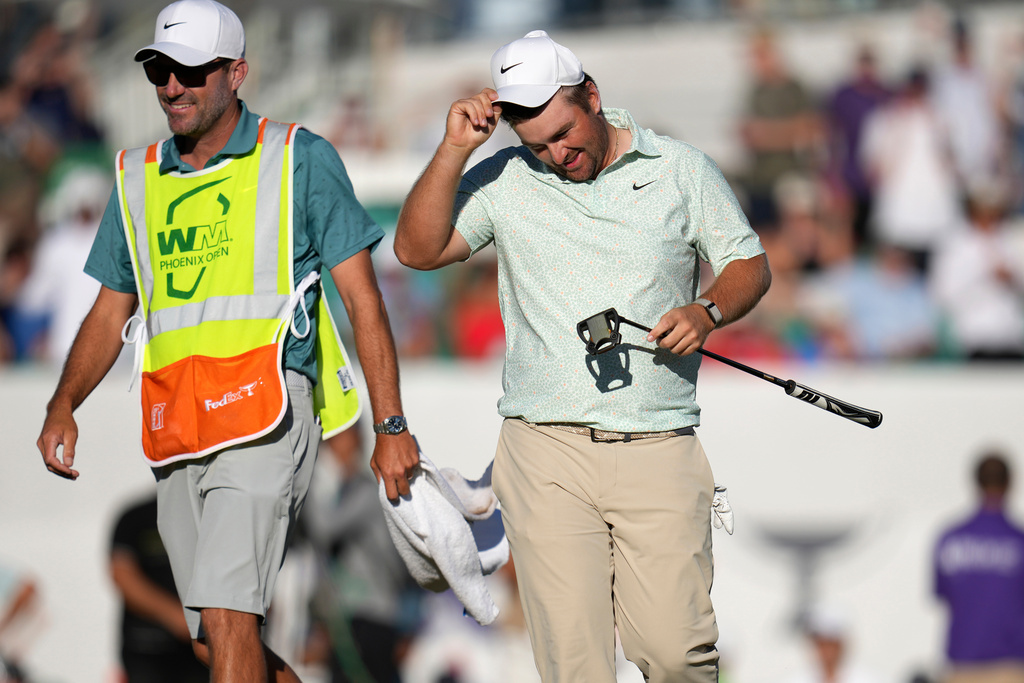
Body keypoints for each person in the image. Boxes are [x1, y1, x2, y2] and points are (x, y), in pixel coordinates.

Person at [33, 1, 420, 681]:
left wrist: (390, 425)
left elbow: (365, 299)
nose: (171, 85)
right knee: (218, 638)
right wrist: (64, 403)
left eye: (189, 69)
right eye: (158, 68)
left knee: (231, 614)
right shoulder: (136, 176)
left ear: (237, 71)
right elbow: (107, 311)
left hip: (266, 416)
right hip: (177, 424)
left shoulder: (301, 157)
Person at [393, 29, 771, 683]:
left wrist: (706, 311)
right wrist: (456, 149)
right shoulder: (506, 177)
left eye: (564, 132)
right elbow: (417, 250)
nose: (556, 153)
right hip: (544, 451)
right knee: (575, 667)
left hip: (658, 444)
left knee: (678, 655)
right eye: (537, 143)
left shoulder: (678, 168)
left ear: (592, 96)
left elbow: (749, 263)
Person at [933, 451, 1024, 683]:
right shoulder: (1018, 541)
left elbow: (943, 595)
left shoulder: (951, 539)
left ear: (975, 482)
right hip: (1010, 667)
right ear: (1010, 483)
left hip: (961, 667)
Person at [109, 493, 208, 683]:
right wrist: (177, 617)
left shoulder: (212, 514)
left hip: (201, 649)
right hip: (148, 650)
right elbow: (122, 575)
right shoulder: (135, 517)